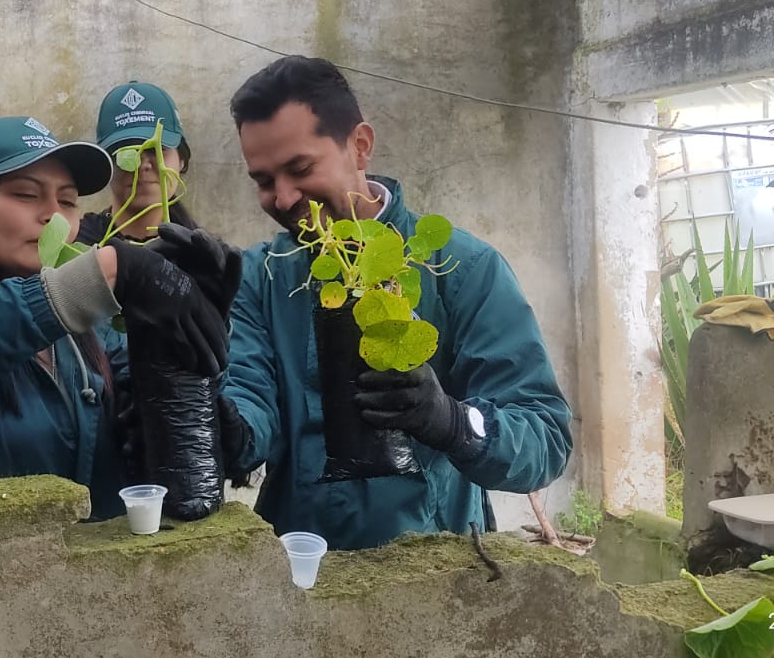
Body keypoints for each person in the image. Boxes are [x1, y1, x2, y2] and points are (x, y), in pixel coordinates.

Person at [185, 55, 573, 550]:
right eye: (263, 181)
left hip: (438, 564)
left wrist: (452, 422)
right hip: (296, 564)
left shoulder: (461, 267)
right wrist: (218, 420)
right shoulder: (262, 276)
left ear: (360, 146)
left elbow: (545, 437)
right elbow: (249, 399)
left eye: (300, 169)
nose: (282, 198)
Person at [0, 116, 227, 520]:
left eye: (67, 202)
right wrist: (102, 274)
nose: (53, 215)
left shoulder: (93, 331)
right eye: (26, 194)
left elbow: (165, 448)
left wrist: (178, 345)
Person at [78, 81, 202, 245]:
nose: (142, 165)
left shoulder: (201, 250)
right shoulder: (77, 247)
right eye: (125, 151)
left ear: (182, 160)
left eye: (156, 150)